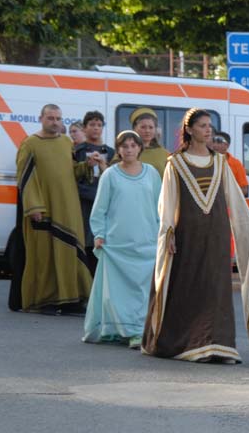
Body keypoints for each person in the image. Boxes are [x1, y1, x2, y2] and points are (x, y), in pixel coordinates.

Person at [141, 108, 249, 363]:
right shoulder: (175, 163)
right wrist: (168, 232)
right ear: (189, 130)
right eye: (202, 125)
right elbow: (167, 202)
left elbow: (235, 201)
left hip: (216, 235)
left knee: (216, 288)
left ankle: (218, 345)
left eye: (209, 125)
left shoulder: (220, 162)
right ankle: (190, 343)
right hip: (187, 234)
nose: (208, 129)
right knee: (189, 287)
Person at [9, 104, 93, 314]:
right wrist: (34, 206)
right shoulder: (30, 144)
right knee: (44, 255)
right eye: (51, 118)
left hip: (68, 208)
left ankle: (72, 300)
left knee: (70, 251)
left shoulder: (66, 142)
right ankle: (45, 300)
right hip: (44, 209)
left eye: (58, 118)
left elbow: (72, 171)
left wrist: (87, 165)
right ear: (41, 119)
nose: (55, 122)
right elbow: (25, 178)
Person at [83, 131, 161, 348]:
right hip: (116, 244)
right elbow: (100, 209)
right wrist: (99, 234)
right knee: (117, 293)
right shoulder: (110, 175)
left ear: (139, 148)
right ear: (118, 150)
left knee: (143, 291)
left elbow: (160, 208)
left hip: (147, 243)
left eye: (133, 145)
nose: (129, 150)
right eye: (124, 146)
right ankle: (124, 331)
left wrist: (163, 234)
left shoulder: (152, 174)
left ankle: (139, 330)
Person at [73, 111, 114, 276]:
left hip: (104, 207)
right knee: (84, 243)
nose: (96, 128)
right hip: (84, 205)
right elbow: (72, 179)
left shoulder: (111, 152)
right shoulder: (78, 151)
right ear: (84, 128)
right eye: (92, 125)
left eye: (99, 125)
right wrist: (87, 166)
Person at [130, 107, 170, 177]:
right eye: (143, 127)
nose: (147, 131)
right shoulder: (126, 151)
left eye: (151, 127)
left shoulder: (164, 154)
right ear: (134, 129)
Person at [211, 131, 249, 197]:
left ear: (227, 145)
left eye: (219, 142)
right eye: (213, 141)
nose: (215, 145)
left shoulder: (236, 164)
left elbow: (244, 190)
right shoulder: (207, 161)